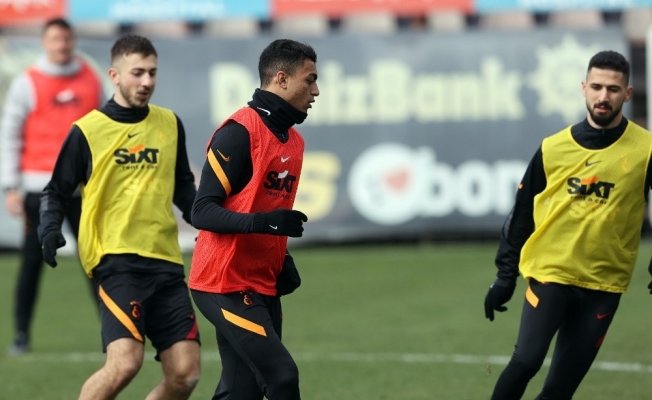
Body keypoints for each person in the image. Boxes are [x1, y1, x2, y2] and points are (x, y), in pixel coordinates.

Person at [38, 34, 200, 400]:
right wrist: (49, 227)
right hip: (116, 260)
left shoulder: (169, 124)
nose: (146, 81)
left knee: (185, 374)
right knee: (125, 362)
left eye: (152, 73)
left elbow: (183, 189)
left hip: (166, 259)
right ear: (114, 75)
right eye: (137, 73)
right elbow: (56, 190)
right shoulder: (87, 130)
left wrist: (210, 219)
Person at [484, 50, 652, 400]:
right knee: (525, 362)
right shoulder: (553, 148)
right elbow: (521, 214)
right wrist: (504, 276)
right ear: (583, 88)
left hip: (604, 283)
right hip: (551, 273)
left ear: (627, 94)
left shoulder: (646, 150)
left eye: (613, 89)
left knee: (559, 390)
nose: (603, 96)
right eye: (596, 87)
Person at [189, 39, 319, 400]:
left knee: (241, 392)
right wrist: (263, 224)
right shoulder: (239, 132)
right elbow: (202, 210)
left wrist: (280, 257)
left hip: (261, 280)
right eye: (310, 80)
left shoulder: (294, 141)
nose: (316, 91)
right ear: (281, 79)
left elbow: (260, 207)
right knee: (281, 377)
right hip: (223, 282)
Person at [0, 17, 105, 355]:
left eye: (66, 39)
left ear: (73, 41)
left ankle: (114, 332)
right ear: (44, 43)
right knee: (32, 263)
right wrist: (10, 186)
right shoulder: (27, 82)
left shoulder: (90, 78)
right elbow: (10, 134)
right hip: (40, 190)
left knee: (96, 262)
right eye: (55, 39)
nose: (61, 45)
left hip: (82, 189)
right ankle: (21, 334)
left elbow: (106, 131)